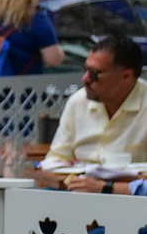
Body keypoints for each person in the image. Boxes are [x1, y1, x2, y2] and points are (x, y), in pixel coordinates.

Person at [38, 36, 147, 191]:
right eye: (85, 70)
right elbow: (56, 159)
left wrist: (104, 187)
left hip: (129, 200)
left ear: (126, 76)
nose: (86, 78)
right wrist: (74, 180)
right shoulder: (78, 101)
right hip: (77, 190)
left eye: (95, 73)